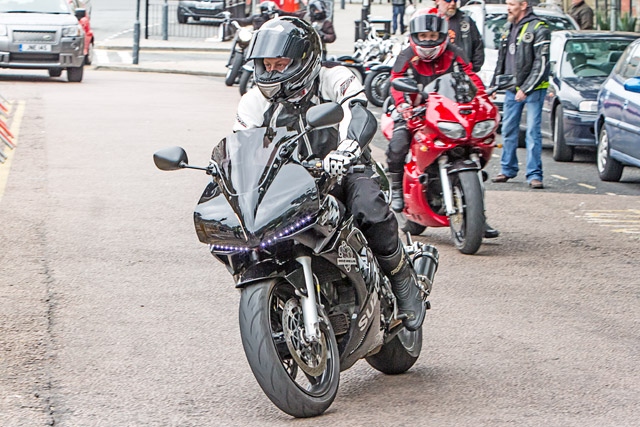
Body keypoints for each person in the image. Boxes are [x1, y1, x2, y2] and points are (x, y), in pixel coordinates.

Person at [235, 16, 427, 331]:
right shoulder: (254, 101)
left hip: (345, 168)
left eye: (280, 63)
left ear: (304, 59)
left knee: (368, 210)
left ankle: (401, 276)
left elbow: (359, 111)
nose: (272, 72)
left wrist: (348, 148)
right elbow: (242, 145)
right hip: (291, 181)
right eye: (266, 64)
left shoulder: (334, 78)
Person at [386, 8, 500, 239]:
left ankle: (479, 216)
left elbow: (470, 76)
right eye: (424, 36)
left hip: (446, 109)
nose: (429, 40)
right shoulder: (407, 55)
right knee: (398, 144)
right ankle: (396, 189)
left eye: (433, 36)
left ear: (442, 36)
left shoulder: (454, 53)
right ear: (415, 36)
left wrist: (481, 96)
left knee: (473, 148)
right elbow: (396, 82)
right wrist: (403, 106)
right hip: (414, 108)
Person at [490, 0, 550, 189]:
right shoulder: (508, 27)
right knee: (508, 130)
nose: (508, 7)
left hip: (533, 89)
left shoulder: (539, 28)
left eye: (512, 3)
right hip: (511, 88)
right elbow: (502, 59)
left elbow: (542, 63)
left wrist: (527, 88)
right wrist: (493, 86)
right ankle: (507, 169)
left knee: (532, 132)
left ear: (523, 5)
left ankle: (534, 174)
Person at [434, 0, 484, 72]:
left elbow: (478, 47)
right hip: (437, 74)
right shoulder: (430, 20)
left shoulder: (465, 21)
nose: (452, 3)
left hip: (461, 74)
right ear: (437, 1)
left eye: (455, 0)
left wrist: (471, 71)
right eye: (448, 0)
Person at [233, 1, 304, 30]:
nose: (268, 14)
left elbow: (292, 15)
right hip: (257, 39)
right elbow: (244, 21)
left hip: (271, 40)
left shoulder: (279, 15)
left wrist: (304, 13)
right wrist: (231, 19)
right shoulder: (256, 17)